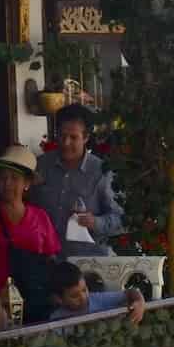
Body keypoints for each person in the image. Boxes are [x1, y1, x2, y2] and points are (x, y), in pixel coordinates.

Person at [0, 144, 60, 321]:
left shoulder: (41, 217)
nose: (7, 183)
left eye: (14, 178)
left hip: (36, 304)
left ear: (27, 184)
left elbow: (51, 260)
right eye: (3, 178)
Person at [31, 105, 124, 253]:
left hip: (89, 264)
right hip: (48, 261)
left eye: (73, 137)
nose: (66, 142)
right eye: (62, 136)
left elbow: (121, 219)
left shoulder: (101, 172)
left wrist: (95, 222)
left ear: (86, 137)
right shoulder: (41, 165)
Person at [48, 260, 146, 326]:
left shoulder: (97, 299)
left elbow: (130, 293)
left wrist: (139, 301)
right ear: (59, 299)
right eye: (74, 296)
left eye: (84, 289)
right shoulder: (56, 320)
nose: (83, 297)